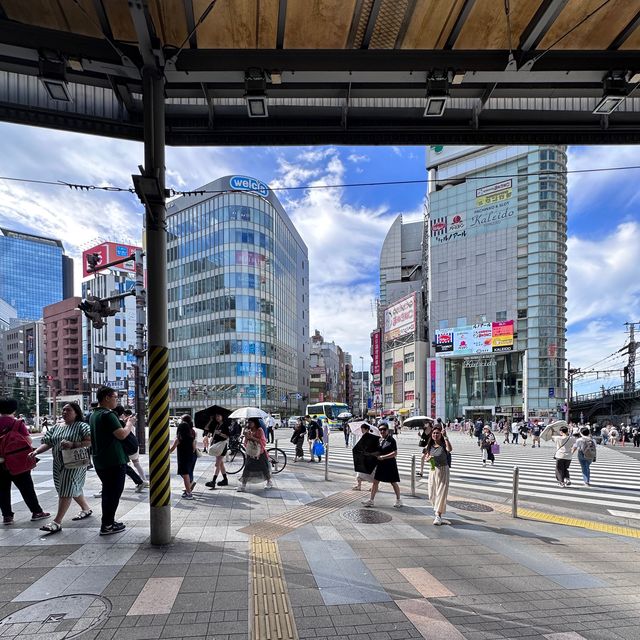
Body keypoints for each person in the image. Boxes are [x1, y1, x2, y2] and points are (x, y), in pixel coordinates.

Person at [28, 402, 92, 533]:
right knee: (68, 487)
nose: (64, 412)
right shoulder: (57, 427)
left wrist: (73, 444)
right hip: (58, 463)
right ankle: (86, 508)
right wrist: (36, 452)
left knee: (66, 489)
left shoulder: (82, 426)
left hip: (75, 463)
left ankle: (57, 522)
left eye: (68, 410)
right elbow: (48, 443)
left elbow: (90, 441)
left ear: (76, 412)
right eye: (63, 410)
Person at [90, 386, 134, 535]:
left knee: (108, 493)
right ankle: (107, 525)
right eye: (115, 397)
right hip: (114, 460)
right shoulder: (108, 415)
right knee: (113, 493)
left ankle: (108, 522)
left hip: (100, 460)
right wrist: (129, 424)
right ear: (107, 398)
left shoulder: (94, 414)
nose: (117, 399)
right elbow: (121, 435)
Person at [0, 397, 49, 525]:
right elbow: (29, 441)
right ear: (14, 409)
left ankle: (7, 516)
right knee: (27, 488)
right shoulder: (17, 424)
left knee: (2, 490)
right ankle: (36, 512)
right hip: (17, 461)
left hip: (0, 463)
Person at [361, 423, 402, 508]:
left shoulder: (391, 440)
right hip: (381, 464)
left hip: (390, 464)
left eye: (384, 429)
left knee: (393, 482)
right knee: (375, 482)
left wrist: (384, 457)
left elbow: (395, 453)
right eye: (380, 429)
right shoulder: (380, 440)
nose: (382, 431)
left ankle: (399, 500)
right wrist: (370, 454)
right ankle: (371, 500)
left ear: (387, 430)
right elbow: (379, 452)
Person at [112, 406, 146, 493]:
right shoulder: (121, 421)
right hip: (132, 445)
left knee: (124, 465)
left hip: (128, 446)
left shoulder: (117, 421)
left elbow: (122, 434)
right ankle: (141, 481)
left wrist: (129, 422)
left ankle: (141, 481)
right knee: (128, 465)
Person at [423, 425, 452, 525]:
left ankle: (438, 515)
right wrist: (427, 459)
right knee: (431, 493)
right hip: (433, 469)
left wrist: (446, 436)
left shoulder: (444, 444)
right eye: (434, 433)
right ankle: (437, 510)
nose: (435, 435)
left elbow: (450, 449)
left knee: (441, 493)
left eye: (437, 433)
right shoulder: (430, 445)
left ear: (440, 434)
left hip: (443, 470)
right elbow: (426, 456)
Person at [236, 417, 272, 492]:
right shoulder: (248, 430)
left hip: (260, 453)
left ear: (255, 423)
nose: (249, 424)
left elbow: (262, 441)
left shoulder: (260, 430)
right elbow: (246, 443)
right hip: (250, 452)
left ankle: (269, 481)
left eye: (251, 422)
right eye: (248, 422)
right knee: (247, 468)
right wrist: (246, 436)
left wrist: (252, 437)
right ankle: (243, 485)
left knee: (264, 468)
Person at [170, 414, 197, 499]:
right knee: (187, 474)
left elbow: (171, 450)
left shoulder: (178, 439)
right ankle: (188, 490)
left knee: (185, 476)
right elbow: (193, 449)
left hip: (182, 458)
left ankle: (189, 493)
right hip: (190, 457)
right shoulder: (191, 437)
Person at [205, 412, 230, 489]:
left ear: (222, 417)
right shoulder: (216, 425)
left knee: (217, 464)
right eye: (216, 416)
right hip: (217, 446)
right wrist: (210, 420)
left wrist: (219, 433)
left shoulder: (225, 425)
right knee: (221, 464)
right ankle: (225, 480)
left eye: (219, 416)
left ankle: (213, 481)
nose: (217, 417)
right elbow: (206, 428)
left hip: (222, 446)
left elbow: (227, 436)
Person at [352, 422, 379, 490]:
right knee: (360, 472)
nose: (362, 431)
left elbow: (375, 448)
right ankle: (359, 485)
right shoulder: (362, 437)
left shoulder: (372, 438)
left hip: (370, 458)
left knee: (372, 473)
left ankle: (375, 487)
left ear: (367, 429)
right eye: (361, 429)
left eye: (363, 429)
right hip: (362, 458)